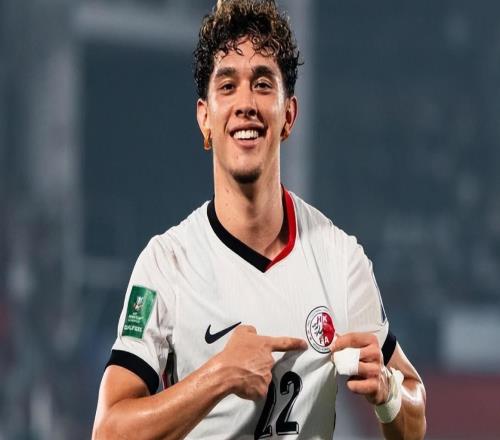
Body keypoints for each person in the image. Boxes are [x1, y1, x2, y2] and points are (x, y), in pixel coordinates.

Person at [92, 1, 426, 439]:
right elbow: (108, 430)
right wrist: (220, 375)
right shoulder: (166, 265)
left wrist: (388, 393)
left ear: (288, 115)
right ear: (205, 118)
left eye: (263, 84)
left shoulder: (341, 260)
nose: (246, 103)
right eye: (228, 85)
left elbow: (414, 419)